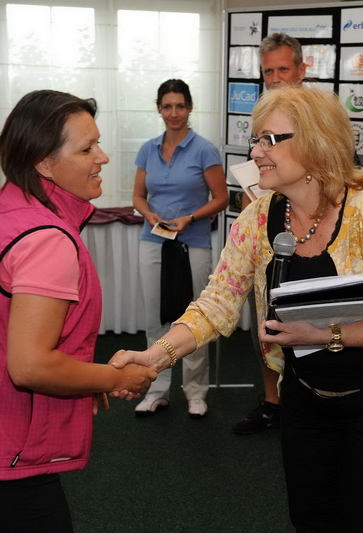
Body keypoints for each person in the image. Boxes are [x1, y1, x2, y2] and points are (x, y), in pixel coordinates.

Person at [112, 86, 363, 531]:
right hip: (303, 401)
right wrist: (156, 356)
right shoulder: (258, 218)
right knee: (310, 519)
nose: (254, 152)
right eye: (255, 139)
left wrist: (324, 335)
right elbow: (216, 303)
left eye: (268, 140)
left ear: (316, 143)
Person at [0, 90, 157, 532]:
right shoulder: (47, 239)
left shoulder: (4, 202)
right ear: (43, 163)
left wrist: (82, 380)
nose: (102, 157)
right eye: (86, 149)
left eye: (98, 143)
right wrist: (115, 378)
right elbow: (30, 367)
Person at [132, 79, 227, 418]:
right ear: (159, 109)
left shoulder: (205, 150)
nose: (174, 113)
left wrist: (190, 217)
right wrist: (148, 214)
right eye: (167, 106)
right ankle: (156, 390)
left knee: (192, 319)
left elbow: (221, 198)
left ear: (190, 108)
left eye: (180, 106)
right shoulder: (148, 149)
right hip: (153, 241)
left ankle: (195, 392)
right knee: (155, 318)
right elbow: (138, 196)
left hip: (193, 243)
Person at [232, 32, 307, 435]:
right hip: (267, 234)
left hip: (311, 238)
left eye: (283, 69)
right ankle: (272, 402)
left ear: (301, 69)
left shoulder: (320, 118)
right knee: (265, 319)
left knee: (310, 321)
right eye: (268, 72)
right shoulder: (262, 116)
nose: (276, 78)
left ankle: (302, 401)